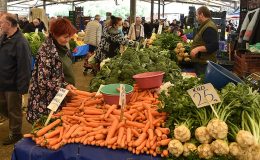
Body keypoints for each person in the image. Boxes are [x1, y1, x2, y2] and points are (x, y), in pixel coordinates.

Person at [26, 18, 77, 124]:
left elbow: (57, 75)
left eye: (69, 36)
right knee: (44, 127)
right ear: (55, 34)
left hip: (57, 96)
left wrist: (66, 85)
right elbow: (43, 80)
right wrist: (63, 87)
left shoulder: (61, 47)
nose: (68, 40)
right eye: (65, 37)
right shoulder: (47, 51)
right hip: (44, 100)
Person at [0, 13, 31, 145]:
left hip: (13, 83)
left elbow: (25, 66)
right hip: (2, 80)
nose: (0, 25)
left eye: (1, 22)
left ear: (9, 24)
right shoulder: (4, 37)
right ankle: (12, 122)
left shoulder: (21, 42)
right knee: (3, 105)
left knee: (14, 109)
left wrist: (23, 87)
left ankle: (16, 133)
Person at [190, 6, 219, 75]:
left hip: (204, 64)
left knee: (204, 83)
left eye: (197, 15)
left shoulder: (209, 27)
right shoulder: (205, 25)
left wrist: (197, 49)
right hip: (202, 62)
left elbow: (213, 46)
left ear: (201, 15)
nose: (196, 18)